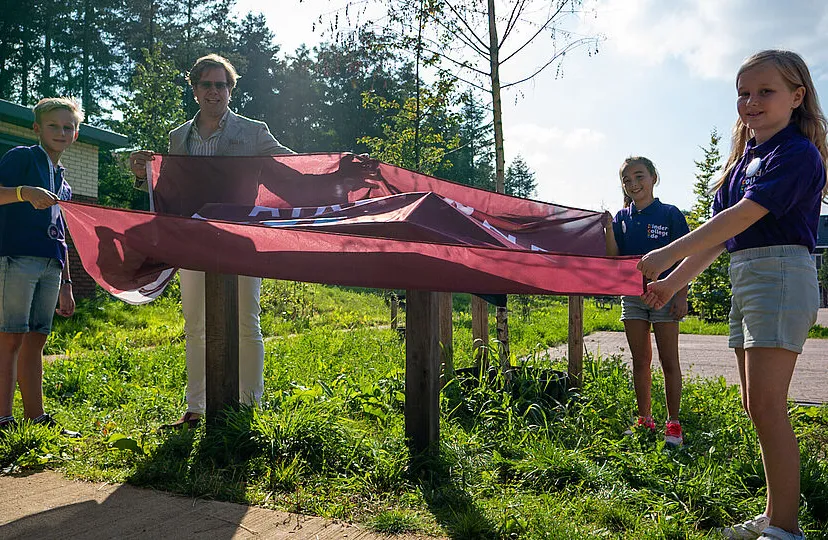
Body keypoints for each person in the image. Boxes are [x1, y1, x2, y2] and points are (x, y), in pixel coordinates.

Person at [638, 50, 826, 540]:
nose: (751, 101)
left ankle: (785, 529)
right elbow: (722, 238)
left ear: (797, 96)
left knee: (767, 404)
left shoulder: (796, 154)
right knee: (753, 403)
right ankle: (773, 516)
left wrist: (664, 254)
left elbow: (740, 218)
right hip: (749, 275)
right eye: (744, 93)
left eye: (766, 91)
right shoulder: (746, 160)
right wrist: (672, 282)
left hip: (781, 274)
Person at [130, 54, 294, 430]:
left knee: (246, 321)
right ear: (195, 89)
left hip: (240, 239)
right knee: (196, 324)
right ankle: (196, 409)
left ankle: (249, 406)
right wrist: (143, 174)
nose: (214, 91)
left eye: (222, 85)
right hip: (193, 240)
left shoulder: (254, 131)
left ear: (231, 90)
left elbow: (291, 167)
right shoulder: (177, 137)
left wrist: (335, 167)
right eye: (207, 84)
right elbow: (168, 188)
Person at [0, 97, 82, 437]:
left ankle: (36, 417)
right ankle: (3, 420)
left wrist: (67, 282)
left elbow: (60, 233)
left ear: (76, 134)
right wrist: (23, 192)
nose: (61, 132)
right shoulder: (21, 158)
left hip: (51, 266)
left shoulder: (64, 180)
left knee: (37, 339)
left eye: (68, 127)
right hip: (16, 258)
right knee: (9, 339)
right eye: (53, 126)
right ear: (37, 128)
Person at [603, 157, 689, 447]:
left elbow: (686, 257)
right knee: (640, 360)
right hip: (633, 298)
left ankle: (673, 424)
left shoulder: (670, 214)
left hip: (665, 295)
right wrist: (608, 229)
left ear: (654, 177)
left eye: (639, 176)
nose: (633, 184)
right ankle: (644, 419)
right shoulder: (621, 217)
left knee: (668, 361)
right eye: (627, 180)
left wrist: (681, 295)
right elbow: (614, 256)